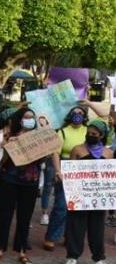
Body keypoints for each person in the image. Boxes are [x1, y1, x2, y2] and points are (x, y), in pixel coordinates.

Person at [0, 108, 59, 264]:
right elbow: (0, 157)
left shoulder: (40, 137)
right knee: (5, 215)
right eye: (26, 117)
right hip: (9, 178)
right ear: (20, 120)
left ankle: (22, 251)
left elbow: (53, 150)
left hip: (30, 181)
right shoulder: (10, 135)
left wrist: (57, 170)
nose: (30, 120)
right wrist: (5, 148)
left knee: (25, 216)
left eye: (32, 117)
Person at [44, 102, 109, 250]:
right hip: (67, 167)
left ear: (85, 116)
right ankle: (51, 237)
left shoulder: (89, 130)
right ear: (69, 115)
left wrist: (88, 103)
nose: (77, 115)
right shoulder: (63, 131)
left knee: (77, 207)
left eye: (81, 113)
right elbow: (55, 152)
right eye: (75, 112)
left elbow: (104, 115)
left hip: (87, 170)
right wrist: (58, 171)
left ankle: (70, 237)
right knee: (61, 205)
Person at [63, 120, 113, 264]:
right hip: (80, 194)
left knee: (97, 228)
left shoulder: (108, 153)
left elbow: (110, 176)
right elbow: (70, 172)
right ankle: (72, 256)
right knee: (76, 226)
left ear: (101, 135)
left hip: (98, 196)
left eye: (94, 134)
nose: (90, 136)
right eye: (88, 133)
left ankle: (99, 258)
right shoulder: (77, 149)